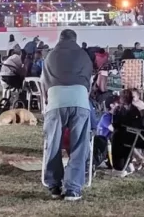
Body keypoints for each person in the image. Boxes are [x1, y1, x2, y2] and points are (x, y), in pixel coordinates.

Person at [41, 29, 92, 201]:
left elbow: (44, 82)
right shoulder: (83, 55)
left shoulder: (50, 55)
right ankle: (73, 189)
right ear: (75, 39)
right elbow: (88, 80)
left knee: (53, 144)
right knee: (79, 145)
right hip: (79, 100)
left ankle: (54, 186)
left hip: (55, 101)